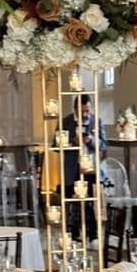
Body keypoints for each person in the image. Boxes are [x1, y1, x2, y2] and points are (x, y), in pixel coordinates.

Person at [57, 95, 107, 240]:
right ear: (75, 109)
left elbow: (104, 145)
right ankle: (72, 235)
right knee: (74, 204)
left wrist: (90, 140)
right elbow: (55, 145)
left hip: (90, 168)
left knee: (90, 202)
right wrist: (71, 142)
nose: (85, 114)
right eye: (82, 111)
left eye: (87, 111)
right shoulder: (65, 122)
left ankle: (92, 235)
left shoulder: (96, 121)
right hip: (72, 168)